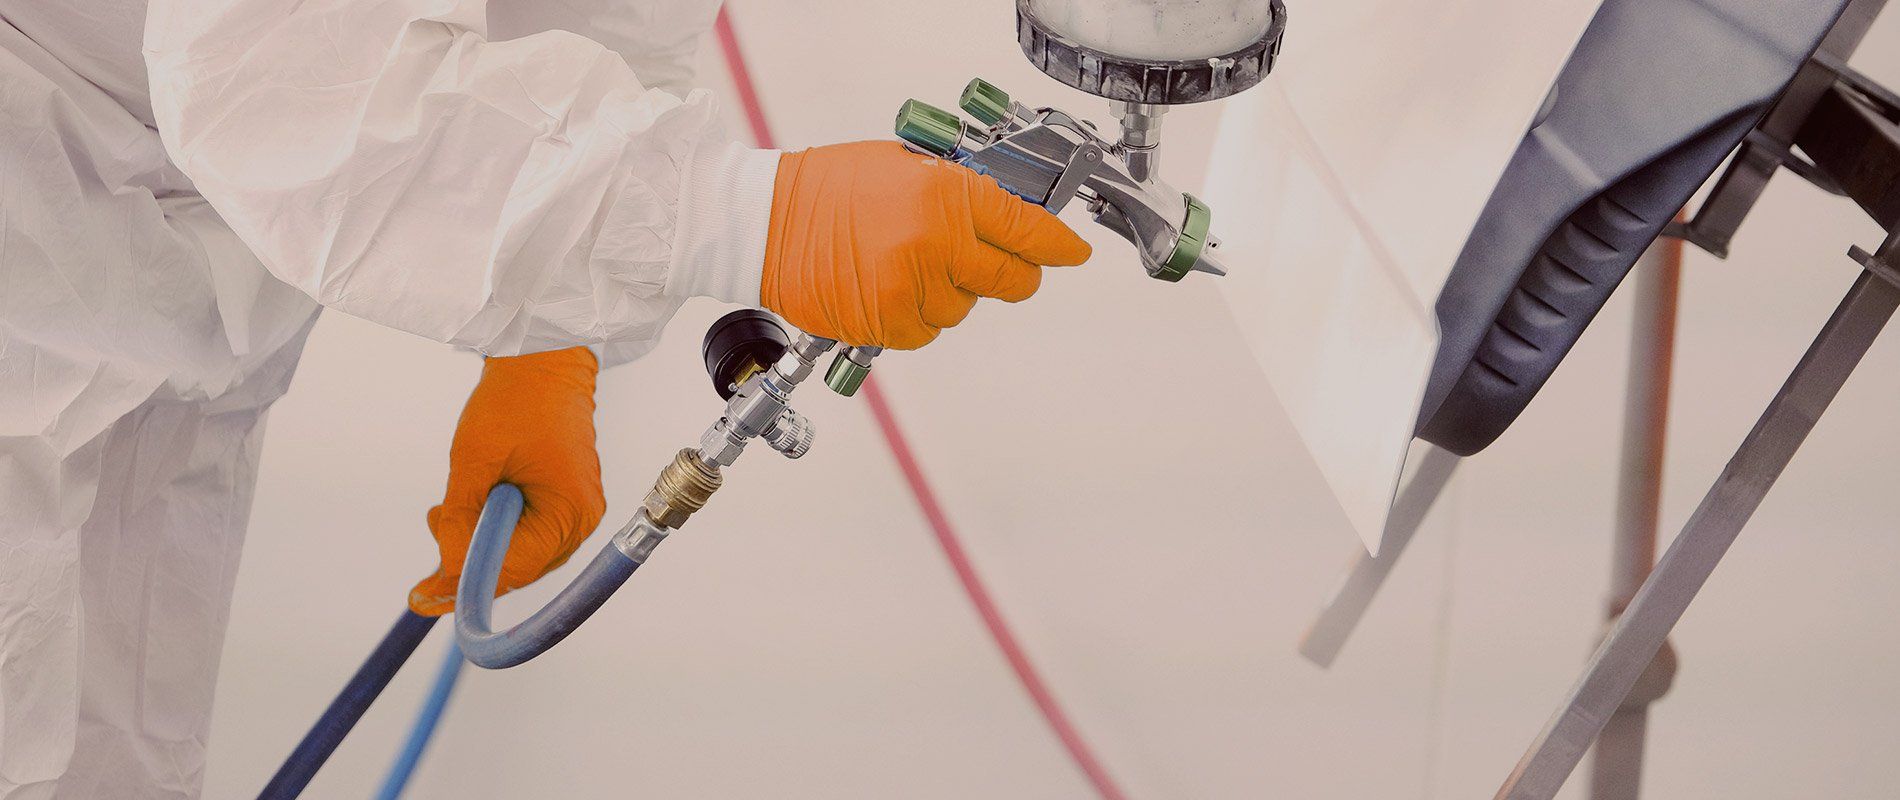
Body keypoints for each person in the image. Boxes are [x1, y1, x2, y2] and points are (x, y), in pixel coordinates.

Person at [0, 0, 1091, 795]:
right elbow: (276, 72)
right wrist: (742, 213)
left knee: (118, 747)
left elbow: (607, 15)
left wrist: (548, 353)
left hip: (177, 255)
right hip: (33, 161)